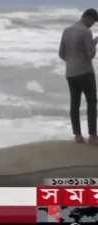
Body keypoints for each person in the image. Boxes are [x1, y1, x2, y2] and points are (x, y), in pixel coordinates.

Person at [59, 8, 98, 144]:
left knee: (74, 104)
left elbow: (62, 54)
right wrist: (96, 42)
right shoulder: (86, 32)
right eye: (93, 21)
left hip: (70, 73)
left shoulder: (67, 30)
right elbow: (90, 54)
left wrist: (73, 61)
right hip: (85, 72)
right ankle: (93, 136)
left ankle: (78, 136)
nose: (93, 24)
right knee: (92, 102)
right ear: (87, 17)